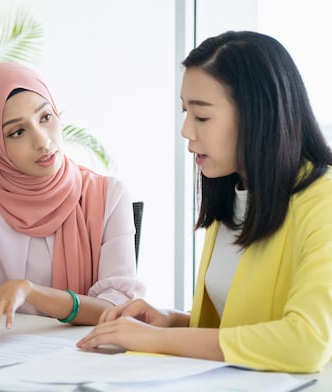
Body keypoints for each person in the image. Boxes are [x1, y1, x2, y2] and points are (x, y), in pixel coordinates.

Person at [77, 30, 332, 373]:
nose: (186, 130)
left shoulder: (323, 201)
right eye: (185, 112)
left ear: (259, 115)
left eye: (201, 116)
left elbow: (307, 342)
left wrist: (158, 341)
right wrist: (171, 321)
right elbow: (241, 328)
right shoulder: (231, 191)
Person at [0, 62, 144, 347]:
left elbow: (118, 307)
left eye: (45, 117)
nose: (42, 140)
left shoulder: (109, 194)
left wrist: (30, 292)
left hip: (79, 353)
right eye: (17, 132)